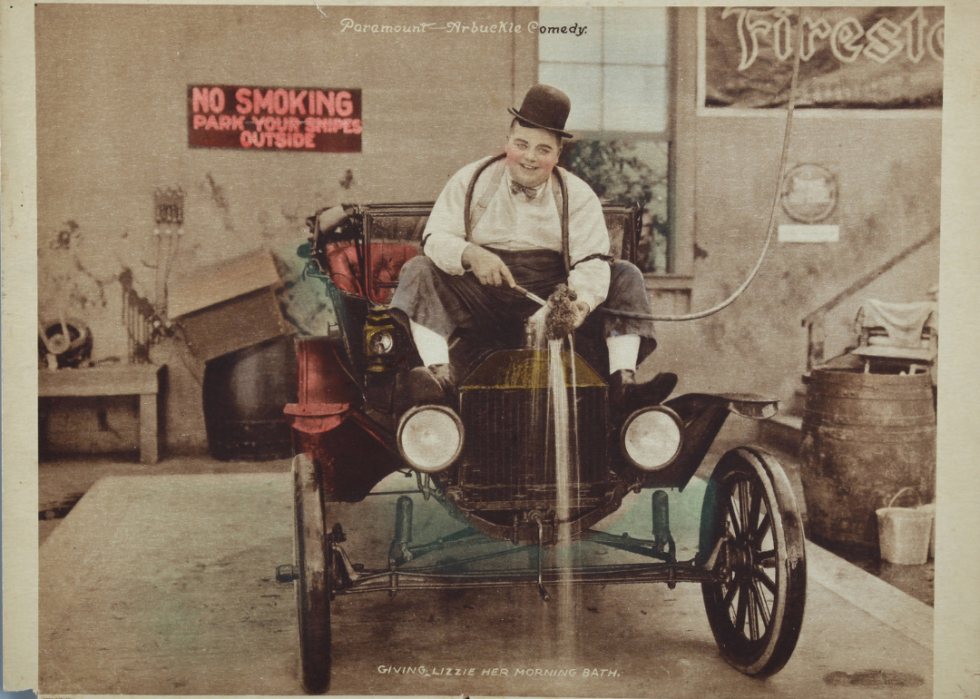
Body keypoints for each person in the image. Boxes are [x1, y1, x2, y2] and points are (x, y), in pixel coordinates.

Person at [389, 84, 676, 413]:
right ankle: (440, 380)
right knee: (420, 270)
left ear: (557, 155)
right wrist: (471, 254)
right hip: (481, 301)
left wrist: (578, 303)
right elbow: (436, 237)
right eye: (521, 144)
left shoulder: (578, 196)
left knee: (626, 274)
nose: (529, 157)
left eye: (543, 150)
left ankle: (622, 385)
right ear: (507, 142)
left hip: (549, 296)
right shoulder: (470, 180)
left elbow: (593, 262)